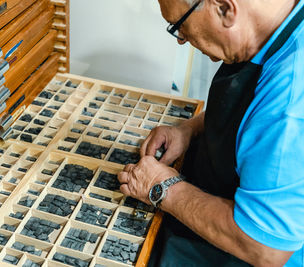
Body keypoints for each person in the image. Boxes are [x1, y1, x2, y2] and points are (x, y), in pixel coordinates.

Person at [117, 0, 304, 266]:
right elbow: (257, 112)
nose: (182, 40)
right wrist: (189, 130)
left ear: (226, 10)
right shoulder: (280, 23)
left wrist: (162, 188)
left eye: (180, 26)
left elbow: (265, 248)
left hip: (245, 248)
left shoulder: (290, 104)